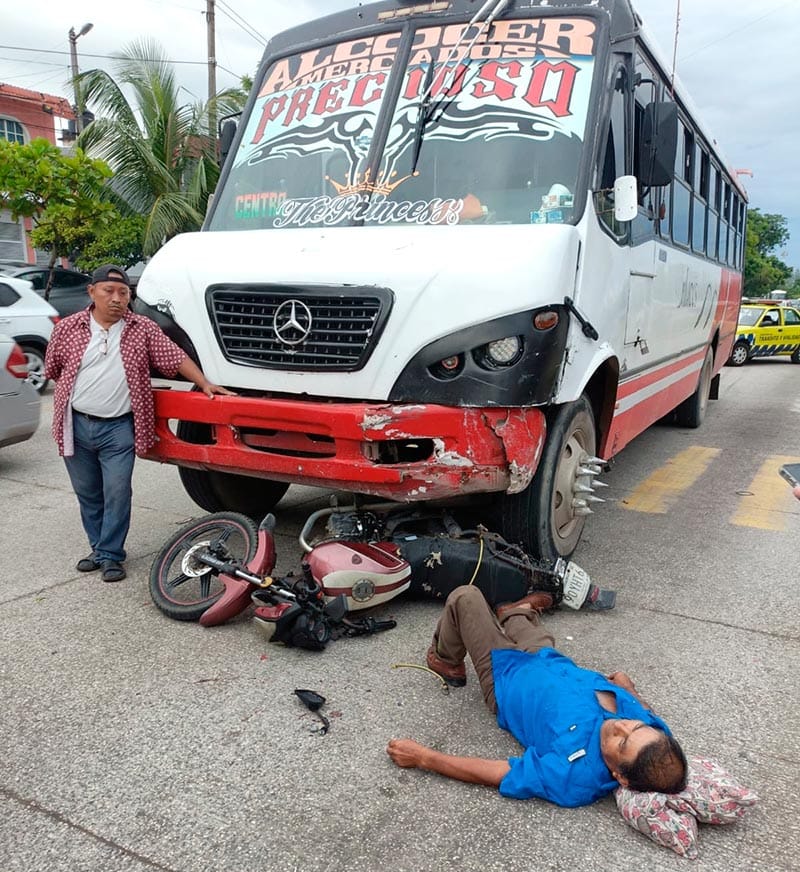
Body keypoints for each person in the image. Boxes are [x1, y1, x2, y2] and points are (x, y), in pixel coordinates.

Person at [386, 586, 687, 807]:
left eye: (621, 742)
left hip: (504, 676)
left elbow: (497, 772)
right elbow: (646, 711)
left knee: (465, 598)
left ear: (619, 776)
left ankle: (444, 656)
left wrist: (424, 758)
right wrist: (628, 686)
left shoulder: (574, 775)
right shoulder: (655, 737)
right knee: (520, 623)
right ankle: (515, 614)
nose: (622, 726)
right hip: (551, 661)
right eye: (634, 727)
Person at [44, 264, 234, 583]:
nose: (117, 299)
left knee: (118, 491)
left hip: (118, 428)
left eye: (123, 292)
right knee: (88, 493)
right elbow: (53, 368)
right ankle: (99, 549)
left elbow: (174, 357)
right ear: (92, 293)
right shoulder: (68, 328)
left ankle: (111, 555)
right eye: (109, 291)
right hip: (75, 424)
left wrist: (204, 383)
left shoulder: (141, 328)